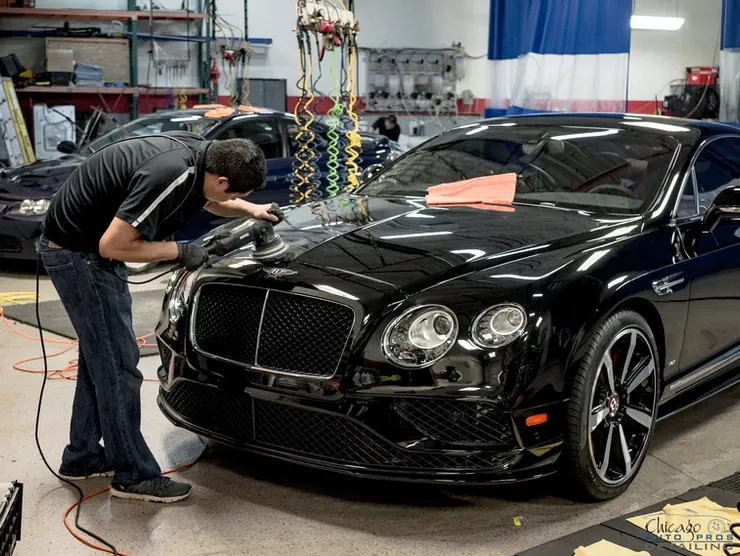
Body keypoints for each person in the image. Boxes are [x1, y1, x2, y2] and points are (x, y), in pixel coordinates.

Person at [39, 131, 277, 503]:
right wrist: (181, 251)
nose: (234, 201)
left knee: (98, 360)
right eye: (235, 194)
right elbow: (114, 245)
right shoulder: (170, 172)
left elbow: (213, 202)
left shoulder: (202, 157)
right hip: (79, 254)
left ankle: (82, 457)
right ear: (221, 179)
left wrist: (251, 211)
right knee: (120, 367)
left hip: (85, 247)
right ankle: (132, 474)